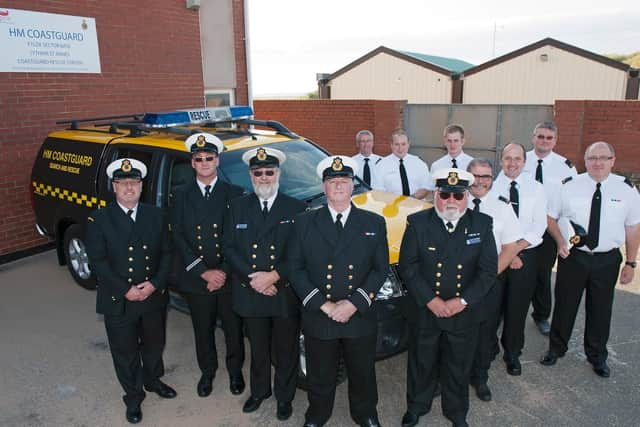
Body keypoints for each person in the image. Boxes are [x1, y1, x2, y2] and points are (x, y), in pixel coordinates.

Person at [289, 155, 388, 427]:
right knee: (320, 372)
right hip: (320, 313)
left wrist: (353, 304)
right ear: (324, 187)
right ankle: (317, 414)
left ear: (352, 185)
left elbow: (379, 270)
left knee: (362, 370)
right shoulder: (304, 223)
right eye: (332, 182)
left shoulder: (374, 223)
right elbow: (295, 270)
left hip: (358, 313)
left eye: (343, 181)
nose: (338, 186)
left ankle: (365, 413)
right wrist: (326, 305)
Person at [399, 168, 497, 427]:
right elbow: (408, 266)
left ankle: (456, 411)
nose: (451, 200)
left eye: (457, 194)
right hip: (426, 310)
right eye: (444, 194)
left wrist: (461, 301)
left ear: (466, 196)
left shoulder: (482, 224)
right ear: (435, 195)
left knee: (458, 364)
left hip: (463, 312)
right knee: (421, 363)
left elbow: (488, 272)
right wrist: (431, 300)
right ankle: (417, 406)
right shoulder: (418, 223)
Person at [86, 158, 176, 424]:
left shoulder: (156, 215)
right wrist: (125, 289)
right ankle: (134, 397)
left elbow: (167, 253)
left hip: (152, 295)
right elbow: (98, 261)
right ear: (114, 187)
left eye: (134, 182)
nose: (129, 188)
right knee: (124, 352)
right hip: (119, 298)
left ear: (141, 186)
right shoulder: (99, 218)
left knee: (154, 344)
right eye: (122, 183)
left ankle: (152, 380)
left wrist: (155, 284)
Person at [540, 141, 640, 378]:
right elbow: (550, 218)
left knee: (601, 309)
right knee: (565, 305)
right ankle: (556, 349)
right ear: (585, 161)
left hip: (607, 260)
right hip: (574, 257)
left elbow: (633, 228)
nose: (597, 163)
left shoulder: (626, 190)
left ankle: (597, 356)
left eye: (603, 158)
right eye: (592, 158)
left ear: (612, 161)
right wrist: (560, 242)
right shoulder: (569, 186)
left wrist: (631, 262)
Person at [223, 147, 306, 421]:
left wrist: (274, 277)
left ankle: (285, 397)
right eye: (258, 173)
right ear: (250, 175)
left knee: (286, 350)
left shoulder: (296, 208)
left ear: (278, 174)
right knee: (257, 348)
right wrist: (255, 279)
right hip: (251, 291)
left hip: (283, 292)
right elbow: (230, 248)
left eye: (269, 172)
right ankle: (259, 392)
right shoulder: (237, 207)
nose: (264, 177)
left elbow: (299, 253)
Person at [169, 133, 245, 398]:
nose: (204, 162)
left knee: (233, 330)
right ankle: (208, 372)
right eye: (198, 159)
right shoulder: (180, 195)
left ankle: (235, 372)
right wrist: (203, 271)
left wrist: (222, 271)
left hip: (228, 276)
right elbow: (177, 234)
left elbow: (236, 237)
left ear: (217, 161)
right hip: (197, 277)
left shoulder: (234, 193)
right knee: (203, 330)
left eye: (209, 158)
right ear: (192, 163)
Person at [466, 158, 525, 402]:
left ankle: (480, 377)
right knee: (455, 331)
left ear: (492, 179)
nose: (481, 182)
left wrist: (488, 278)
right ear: (467, 176)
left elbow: (510, 248)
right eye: (476, 176)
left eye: (486, 177)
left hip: (490, 282)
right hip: (456, 282)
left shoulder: (502, 206)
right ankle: (450, 375)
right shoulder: (452, 200)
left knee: (485, 332)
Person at [490, 143, 547, 376]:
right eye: (507, 158)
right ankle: (488, 348)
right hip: (497, 257)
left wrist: (515, 250)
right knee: (492, 308)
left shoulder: (536, 189)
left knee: (517, 308)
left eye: (517, 159)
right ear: (501, 160)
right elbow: (490, 227)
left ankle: (512, 353)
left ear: (525, 162)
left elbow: (539, 225)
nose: (512, 163)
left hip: (525, 256)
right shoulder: (490, 187)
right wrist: (507, 253)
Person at [522, 122, 577, 335]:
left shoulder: (565, 166)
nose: (544, 141)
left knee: (542, 273)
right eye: (541, 136)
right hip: (522, 226)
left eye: (549, 137)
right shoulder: (520, 160)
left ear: (555, 140)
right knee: (514, 270)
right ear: (533, 137)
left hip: (549, 228)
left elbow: (572, 198)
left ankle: (541, 314)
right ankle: (506, 312)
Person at [375, 129, 431, 199]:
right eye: (396, 144)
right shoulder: (381, 165)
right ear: (391, 145)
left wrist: (411, 199)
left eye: (403, 144)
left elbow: (426, 187)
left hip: (417, 205)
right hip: (391, 206)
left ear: (408, 144)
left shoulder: (419, 163)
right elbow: (378, 190)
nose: (400, 148)